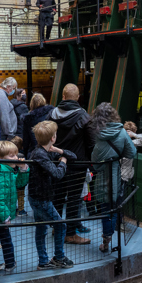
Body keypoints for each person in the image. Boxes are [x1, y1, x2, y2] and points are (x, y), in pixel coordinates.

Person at [28, 120, 75, 270]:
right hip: (41, 199)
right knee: (61, 226)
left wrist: (59, 151)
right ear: (53, 137)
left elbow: (73, 156)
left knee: (41, 228)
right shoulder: (40, 155)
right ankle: (59, 258)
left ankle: (43, 261)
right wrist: (63, 162)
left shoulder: (44, 151)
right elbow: (57, 174)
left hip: (40, 197)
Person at [89, 103, 137, 253]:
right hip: (116, 176)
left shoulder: (97, 134)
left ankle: (106, 240)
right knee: (115, 207)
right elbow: (132, 152)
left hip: (102, 178)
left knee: (104, 209)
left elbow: (95, 165)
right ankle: (110, 236)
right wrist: (117, 155)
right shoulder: (122, 133)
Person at [50, 83, 93, 244]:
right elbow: (91, 142)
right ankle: (70, 234)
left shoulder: (51, 114)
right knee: (74, 199)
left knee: (58, 197)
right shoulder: (84, 116)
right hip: (77, 165)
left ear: (63, 96)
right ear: (77, 98)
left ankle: (57, 227)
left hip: (56, 163)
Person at [0, 140, 29, 273]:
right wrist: (5, 217)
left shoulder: (7, 171)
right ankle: (9, 264)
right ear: (1, 158)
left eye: (15, 154)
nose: (16, 157)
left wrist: (23, 169)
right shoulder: (1, 174)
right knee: (6, 240)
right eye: (11, 156)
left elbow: (19, 183)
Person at [9, 136, 27, 216]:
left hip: (12, 178)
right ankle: (21, 209)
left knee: (12, 195)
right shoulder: (21, 156)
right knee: (21, 195)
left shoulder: (9, 156)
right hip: (20, 179)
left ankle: (13, 209)